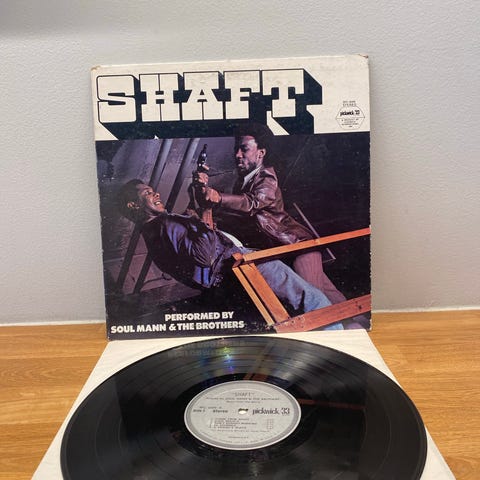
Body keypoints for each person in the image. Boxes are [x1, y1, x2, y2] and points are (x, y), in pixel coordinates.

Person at [117, 179, 343, 330]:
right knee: (312, 300)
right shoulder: (165, 223)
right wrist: (205, 214)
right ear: (133, 205)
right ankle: (338, 342)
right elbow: (204, 256)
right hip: (242, 264)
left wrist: (197, 220)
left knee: (296, 309)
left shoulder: (153, 236)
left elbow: (198, 257)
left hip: (230, 278)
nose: (155, 193)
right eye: (147, 193)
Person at [197, 123, 349, 307]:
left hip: (297, 247)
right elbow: (237, 211)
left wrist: (218, 197)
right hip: (284, 249)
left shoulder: (266, 177)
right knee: (331, 297)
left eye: (244, 149)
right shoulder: (243, 182)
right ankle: (360, 320)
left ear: (261, 153)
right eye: (236, 149)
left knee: (316, 305)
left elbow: (252, 202)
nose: (237, 154)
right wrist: (204, 190)